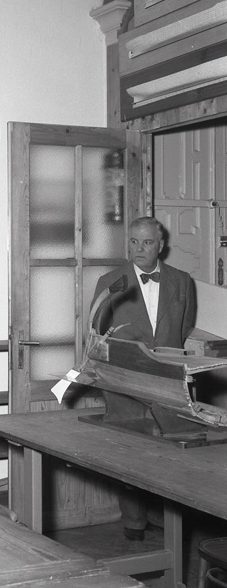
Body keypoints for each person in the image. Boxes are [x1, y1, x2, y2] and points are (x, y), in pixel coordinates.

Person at [91, 216, 196, 541]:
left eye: (147, 242)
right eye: (134, 242)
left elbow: (184, 327)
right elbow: (98, 330)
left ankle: (165, 521)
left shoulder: (182, 281)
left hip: (166, 379)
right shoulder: (110, 281)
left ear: (160, 245)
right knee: (129, 452)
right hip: (124, 381)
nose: (139, 248)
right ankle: (133, 523)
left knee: (169, 452)